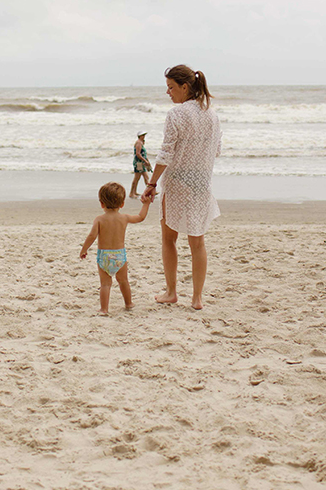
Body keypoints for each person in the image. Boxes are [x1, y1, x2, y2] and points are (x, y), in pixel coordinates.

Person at [141, 64, 222, 310]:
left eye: (171, 87)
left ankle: (171, 291)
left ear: (184, 87)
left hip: (177, 184)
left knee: (169, 238)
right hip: (200, 183)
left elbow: (166, 153)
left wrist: (152, 183)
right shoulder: (212, 115)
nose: (168, 92)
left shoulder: (175, 115)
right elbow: (216, 150)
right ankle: (197, 299)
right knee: (198, 242)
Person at [79, 182, 149, 315]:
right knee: (123, 281)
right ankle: (128, 303)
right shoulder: (124, 218)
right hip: (119, 256)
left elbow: (92, 236)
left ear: (101, 204)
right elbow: (141, 217)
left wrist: (84, 249)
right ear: (122, 204)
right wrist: (146, 204)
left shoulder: (99, 219)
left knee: (105, 284)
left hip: (104, 256)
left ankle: (104, 309)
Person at [129, 130, 152, 199]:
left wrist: (147, 161)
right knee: (137, 178)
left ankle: (148, 191)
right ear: (140, 136)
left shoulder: (141, 142)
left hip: (141, 163)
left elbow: (143, 154)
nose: (144, 136)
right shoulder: (138, 143)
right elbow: (138, 154)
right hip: (139, 163)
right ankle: (131, 193)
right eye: (143, 135)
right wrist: (145, 161)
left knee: (146, 177)